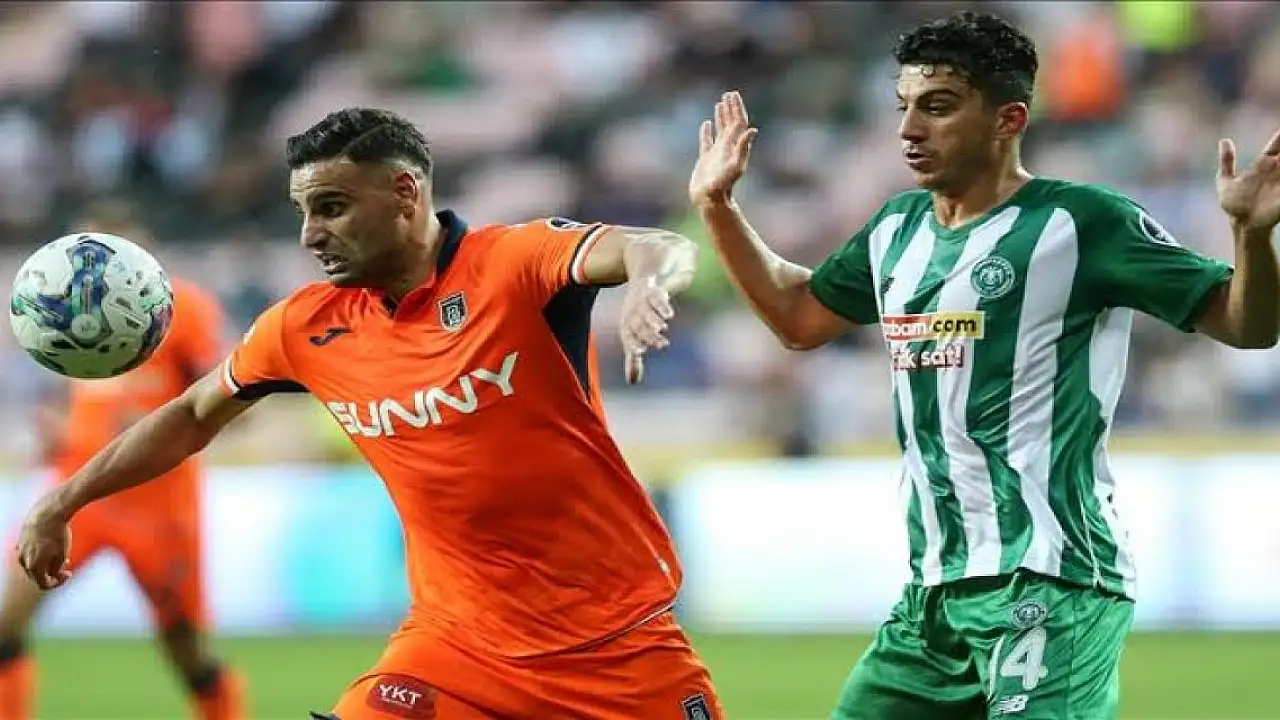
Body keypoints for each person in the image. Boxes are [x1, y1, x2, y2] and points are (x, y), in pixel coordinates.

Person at [15, 108, 722, 720]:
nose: (309, 234)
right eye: (304, 212)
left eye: (331, 207)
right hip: (455, 648)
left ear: (405, 193)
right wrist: (62, 501)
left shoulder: (512, 264)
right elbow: (193, 414)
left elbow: (659, 245)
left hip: (616, 646)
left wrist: (648, 283)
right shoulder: (304, 327)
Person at [689, 11, 1280, 720]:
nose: (910, 129)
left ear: (1008, 119)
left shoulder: (1081, 223)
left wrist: (1251, 236)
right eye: (904, 106)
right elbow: (798, 317)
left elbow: (1248, 326)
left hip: (1051, 578)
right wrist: (716, 205)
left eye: (938, 107)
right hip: (932, 597)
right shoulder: (896, 228)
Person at [0, 200, 246, 720]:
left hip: (158, 500)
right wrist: (57, 428)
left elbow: (224, 398)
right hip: (75, 492)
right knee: (5, 625)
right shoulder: (63, 305)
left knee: (186, 650)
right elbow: (76, 394)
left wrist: (155, 422)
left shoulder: (184, 308)